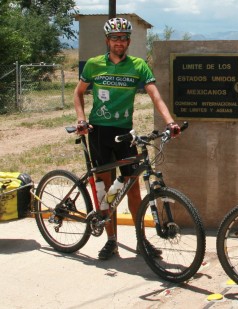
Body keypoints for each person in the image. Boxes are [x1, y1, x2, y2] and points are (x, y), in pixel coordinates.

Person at [73, 17, 181, 260]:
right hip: (99, 132)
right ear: (107, 40)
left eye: (123, 38)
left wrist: (170, 121)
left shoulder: (138, 66)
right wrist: (81, 119)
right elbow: (78, 94)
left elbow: (156, 96)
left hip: (125, 134)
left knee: (132, 191)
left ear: (128, 40)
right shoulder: (93, 64)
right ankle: (111, 241)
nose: (119, 42)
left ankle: (141, 241)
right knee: (104, 190)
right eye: (114, 38)